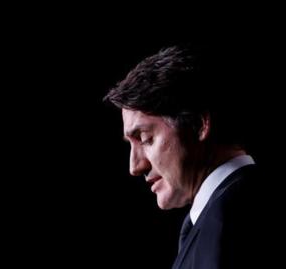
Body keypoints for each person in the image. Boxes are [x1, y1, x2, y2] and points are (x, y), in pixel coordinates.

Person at [104, 45, 272, 268]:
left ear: (198, 125)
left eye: (145, 138)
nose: (134, 166)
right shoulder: (224, 213)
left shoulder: (227, 224)